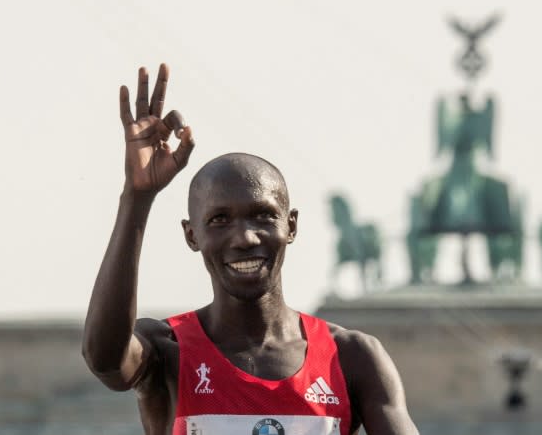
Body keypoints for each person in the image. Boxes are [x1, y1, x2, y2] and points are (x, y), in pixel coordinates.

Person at [82, 64, 419, 435]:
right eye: (220, 220)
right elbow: (105, 360)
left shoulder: (352, 357)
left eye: (262, 216)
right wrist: (138, 196)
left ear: (290, 225)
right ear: (192, 236)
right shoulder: (167, 349)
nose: (245, 237)